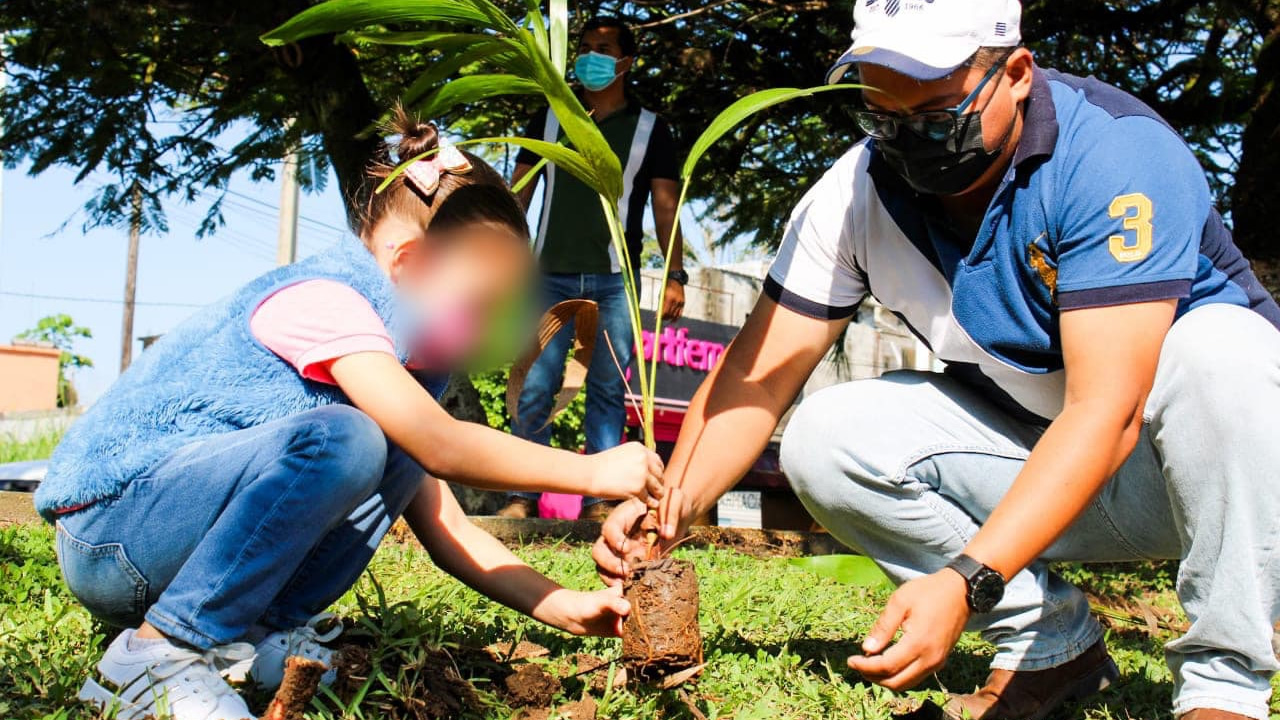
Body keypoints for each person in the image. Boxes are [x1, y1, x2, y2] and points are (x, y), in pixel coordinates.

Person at [594, 1, 1280, 719]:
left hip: (1207, 476)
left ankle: (1223, 687)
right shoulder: (856, 192)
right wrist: (668, 507)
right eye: (882, 114)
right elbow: (755, 378)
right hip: (1051, 464)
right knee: (827, 436)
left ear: (1015, 74)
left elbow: (1108, 413)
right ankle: (1051, 649)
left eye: (936, 110)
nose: (908, 138)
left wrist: (963, 580)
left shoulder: (1114, 156)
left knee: (1221, 352)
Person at [36, 109, 664, 720]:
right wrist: (592, 471)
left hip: (172, 547)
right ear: (410, 262)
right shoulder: (326, 301)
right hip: (113, 538)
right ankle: (155, 656)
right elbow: (442, 442)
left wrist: (565, 607)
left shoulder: (401, 363)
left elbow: (449, 528)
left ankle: (257, 636)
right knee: (348, 439)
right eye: (476, 305)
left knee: (384, 445)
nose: (476, 335)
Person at [498, 15, 686, 522]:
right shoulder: (552, 117)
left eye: (603, 47)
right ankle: (522, 497)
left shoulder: (651, 130)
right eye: (585, 47)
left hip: (614, 284)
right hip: (547, 277)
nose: (590, 56)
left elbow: (666, 208)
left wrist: (675, 275)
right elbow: (519, 193)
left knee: (607, 390)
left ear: (626, 61)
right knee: (535, 384)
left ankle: (602, 501)